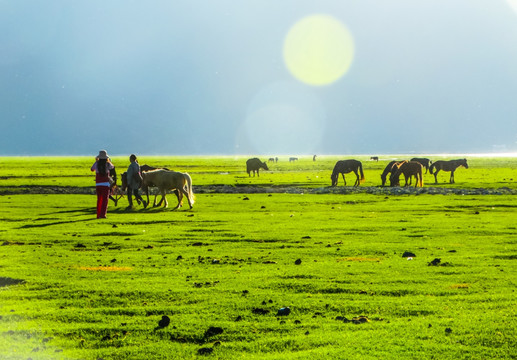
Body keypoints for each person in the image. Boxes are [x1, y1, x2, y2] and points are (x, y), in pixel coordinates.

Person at [91, 150, 115, 219]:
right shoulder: (107, 164)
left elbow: (92, 169)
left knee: (99, 200)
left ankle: (98, 215)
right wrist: (109, 161)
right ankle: (103, 215)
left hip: (98, 184)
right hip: (105, 184)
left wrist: (96, 161)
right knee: (105, 200)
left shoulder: (97, 163)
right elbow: (112, 167)